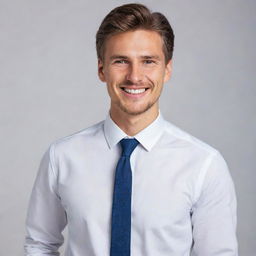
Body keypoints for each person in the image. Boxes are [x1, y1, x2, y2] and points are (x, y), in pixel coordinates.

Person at [24, 3, 238, 255]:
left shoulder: (204, 165)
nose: (135, 76)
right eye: (121, 61)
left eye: (148, 61)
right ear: (102, 69)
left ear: (166, 69)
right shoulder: (61, 157)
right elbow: (40, 245)